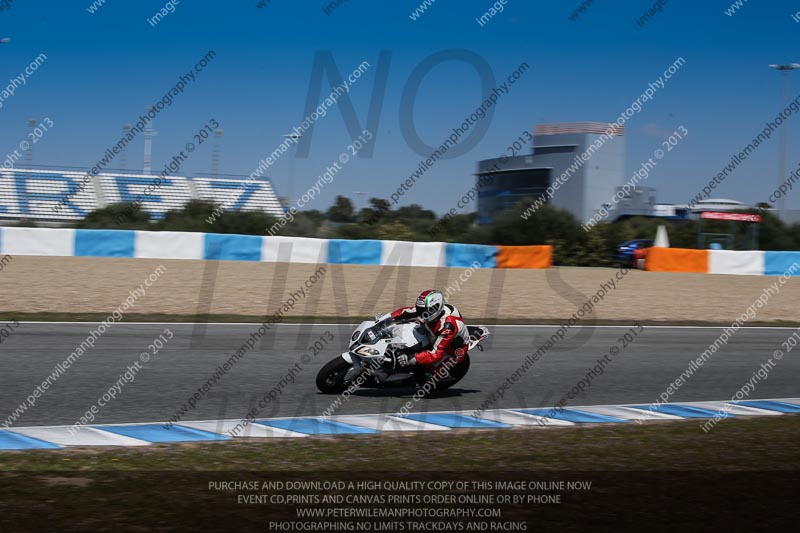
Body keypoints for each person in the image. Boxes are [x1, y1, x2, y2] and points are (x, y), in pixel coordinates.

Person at [375, 289, 470, 370]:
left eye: (424, 311)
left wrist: (412, 358)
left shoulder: (447, 327)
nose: (421, 313)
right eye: (420, 309)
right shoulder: (427, 310)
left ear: (435, 309)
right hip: (432, 332)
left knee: (430, 375)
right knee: (406, 329)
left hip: (451, 349)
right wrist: (385, 318)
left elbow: (436, 354)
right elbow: (405, 312)